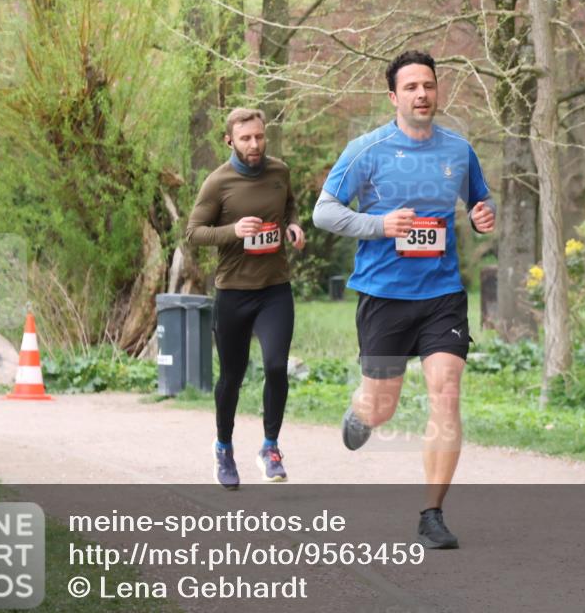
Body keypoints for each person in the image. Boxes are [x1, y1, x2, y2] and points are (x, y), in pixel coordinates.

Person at [313, 50, 496, 548]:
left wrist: (484, 214)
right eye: (411, 86)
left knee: (447, 389)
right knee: (383, 405)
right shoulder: (366, 150)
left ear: (438, 92)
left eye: (429, 85)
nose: (422, 93)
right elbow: (324, 213)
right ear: (393, 97)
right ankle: (361, 412)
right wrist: (380, 225)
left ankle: (432, 514)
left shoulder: (458, 151)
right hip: (384, 296)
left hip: (442, 294)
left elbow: (480, 198)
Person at [186, 108, 305, 490]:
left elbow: (289, 205)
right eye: (245, 138)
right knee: (232, 377)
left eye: (259, 136)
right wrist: (233, 230)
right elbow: (194, 233)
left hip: (275, 289)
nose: (254, 144)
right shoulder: (217, 183)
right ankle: (223, 447)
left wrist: (293, 226)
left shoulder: (279, 171)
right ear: (230, 141)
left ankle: (270, 447)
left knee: (275, 367)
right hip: (234, 292)